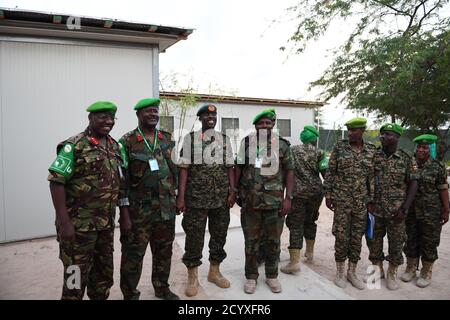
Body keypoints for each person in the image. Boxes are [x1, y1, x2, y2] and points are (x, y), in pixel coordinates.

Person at [48, 101, 122, 300]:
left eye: (111, 117)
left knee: (103, 276)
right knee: (75, 278)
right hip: (78, 227)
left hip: (105, 226)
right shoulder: (73, 145)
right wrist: (64, 223)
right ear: (90, 118)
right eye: (102, 117)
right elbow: (56, 183)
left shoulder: (114, 146)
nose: (108, 121)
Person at [118, 98, 179, 300]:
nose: (152, 115)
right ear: (138, 115)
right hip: (138, 213)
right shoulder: (127, 142)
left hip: (166, 209)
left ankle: (162, 288)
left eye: (155, 111)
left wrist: (179, 197)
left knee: (164, 252)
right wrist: (124, 213)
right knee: (133, 255)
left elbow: (175, 171)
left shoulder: (166, 139)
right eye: (148, 112)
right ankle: (130, 293)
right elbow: (121, 181)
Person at [176, 104, 236, 297]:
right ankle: (192, 277)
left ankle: (214, 272)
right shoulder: (190, 139)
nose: (211, 117)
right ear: (200, 118)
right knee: (194, 238)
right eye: (207, 115)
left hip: (220, 200)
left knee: (219, 236)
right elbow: (184, 169)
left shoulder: (224, 140)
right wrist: (181, 196)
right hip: (196, 200)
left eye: (214, 115)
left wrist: (232, 191)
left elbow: (230, 168)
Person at [235, 109, 294, 294]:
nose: (264, 126)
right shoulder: (247, 143)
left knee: (273, 242)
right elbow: (238, 167)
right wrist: (235, 191)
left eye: (268, 123)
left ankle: (271, 276)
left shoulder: (282, 145)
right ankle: (251, 277)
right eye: (260, 124)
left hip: (274, 203)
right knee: (251, 242)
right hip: (250, 202)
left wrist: (288, 198)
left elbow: (290, 171)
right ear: (255, 126)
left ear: (273, 125)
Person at [323, 117, 376, 290]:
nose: (350, 133)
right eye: (349, 130)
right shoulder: (340, 147)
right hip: (341, 200)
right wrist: (328, 194)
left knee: (356, 237)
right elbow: (331, 171)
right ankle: (340, 272)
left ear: (362, 131)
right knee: (341, 236)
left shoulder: (371, 150)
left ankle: (352, 272)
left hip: (361, 202)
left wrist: (371, 199)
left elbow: (371, 178)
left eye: (354, 130)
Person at [366, 123, 418, 290]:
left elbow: (413, 183)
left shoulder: (406, 157)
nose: (383, 137)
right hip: (376, 210)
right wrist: (368, 202)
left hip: (397, 211)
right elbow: (366, 179)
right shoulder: (374, 156)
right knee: (374, 242)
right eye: (382, 134)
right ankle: (377, 271)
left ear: (397, 137)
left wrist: (405, 208)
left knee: (396, 244)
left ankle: (392, 274)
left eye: (388, 134)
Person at [401, 134, 449, 288]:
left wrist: (446, 209)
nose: (421, 150)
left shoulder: (437, 167)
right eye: (419, 147)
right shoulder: (409, 164)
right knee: (410, 239)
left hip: (431, 212)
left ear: (430, 149)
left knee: (429, 242)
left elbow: (443, 189)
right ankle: (410, 268)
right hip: (411, 211)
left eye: (425, 147)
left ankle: (426, 272)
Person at [281, 125, 328, 274]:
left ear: (303, 136)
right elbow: (325, 173)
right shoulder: (320, 153)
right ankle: (309, 253)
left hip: (298, 194)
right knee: (310, 221)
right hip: (316, 194)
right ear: (314, 138)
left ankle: (294, 262)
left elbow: (286, 170)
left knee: (296, 224)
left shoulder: (292, 150)